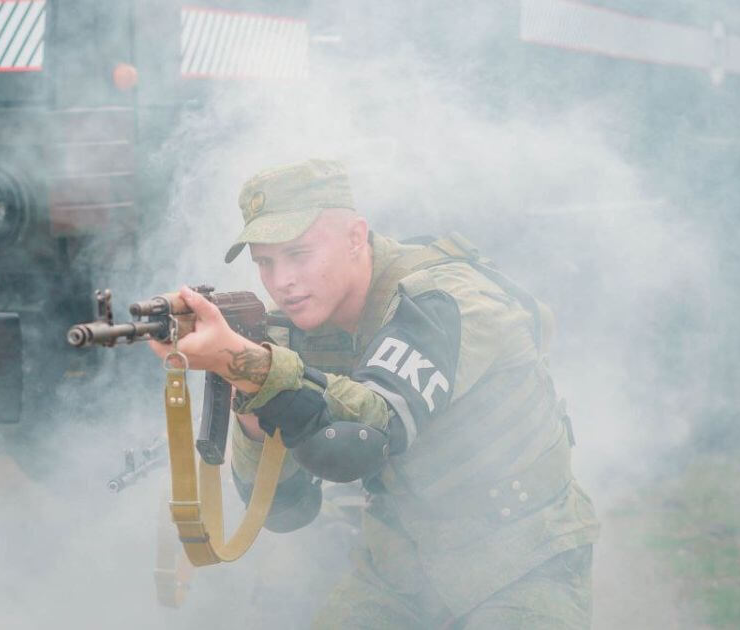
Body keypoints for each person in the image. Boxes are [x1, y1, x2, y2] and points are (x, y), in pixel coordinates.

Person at [147, 159, 599, 628]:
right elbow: (286, 509)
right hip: (401, 562)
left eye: (299, 254)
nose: (282, 281)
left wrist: (257, 368)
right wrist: (246, 394)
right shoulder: (302, 326)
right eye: (265, 262)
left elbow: (367, 433)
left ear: (355, 237)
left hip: (520, 555)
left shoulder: (445, 299)